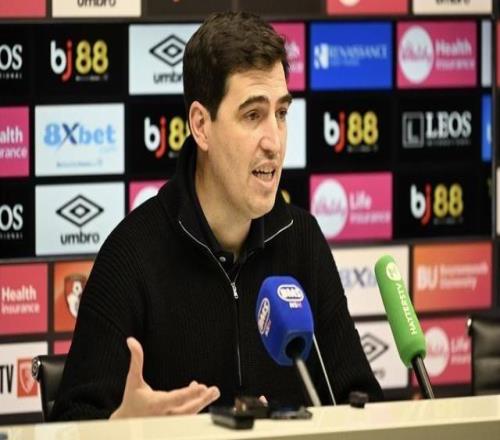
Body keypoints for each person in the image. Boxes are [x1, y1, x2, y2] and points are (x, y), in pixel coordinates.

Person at [51, 11, 383, 421]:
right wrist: (123, 426)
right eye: (253, 115)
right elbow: (70, 422)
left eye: (281, 114)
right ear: (201, 126)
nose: (274, 142)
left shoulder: (302, 240)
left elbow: (361, 402)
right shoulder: (131, 256)